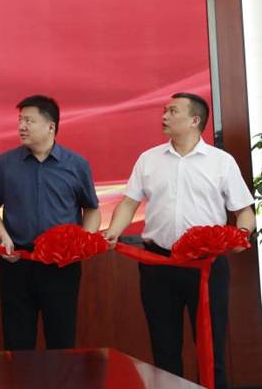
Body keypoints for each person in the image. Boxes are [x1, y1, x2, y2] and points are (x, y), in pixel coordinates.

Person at [103, 93, 255, 389]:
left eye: (172, 111)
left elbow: (244, 211)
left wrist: (242, 234)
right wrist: (114, 231)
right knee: (164, 350)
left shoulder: (221, 162)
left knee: (212, 350)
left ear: (195, 120)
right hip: (158, 264)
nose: (164, 116)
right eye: (165, 110)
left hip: (206, 267)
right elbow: (129, 203)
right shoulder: (149, 159)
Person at [0, 94, 100, 350]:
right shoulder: (6, 162)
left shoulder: (76, 164)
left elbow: (92, 209)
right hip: (18, 261)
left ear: (50, 126)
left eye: (29, 121)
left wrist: (83, 243)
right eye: (20, 120)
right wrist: (4, 237)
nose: (21, 126)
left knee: (61, 340)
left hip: (61, 265)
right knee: (17, 342)